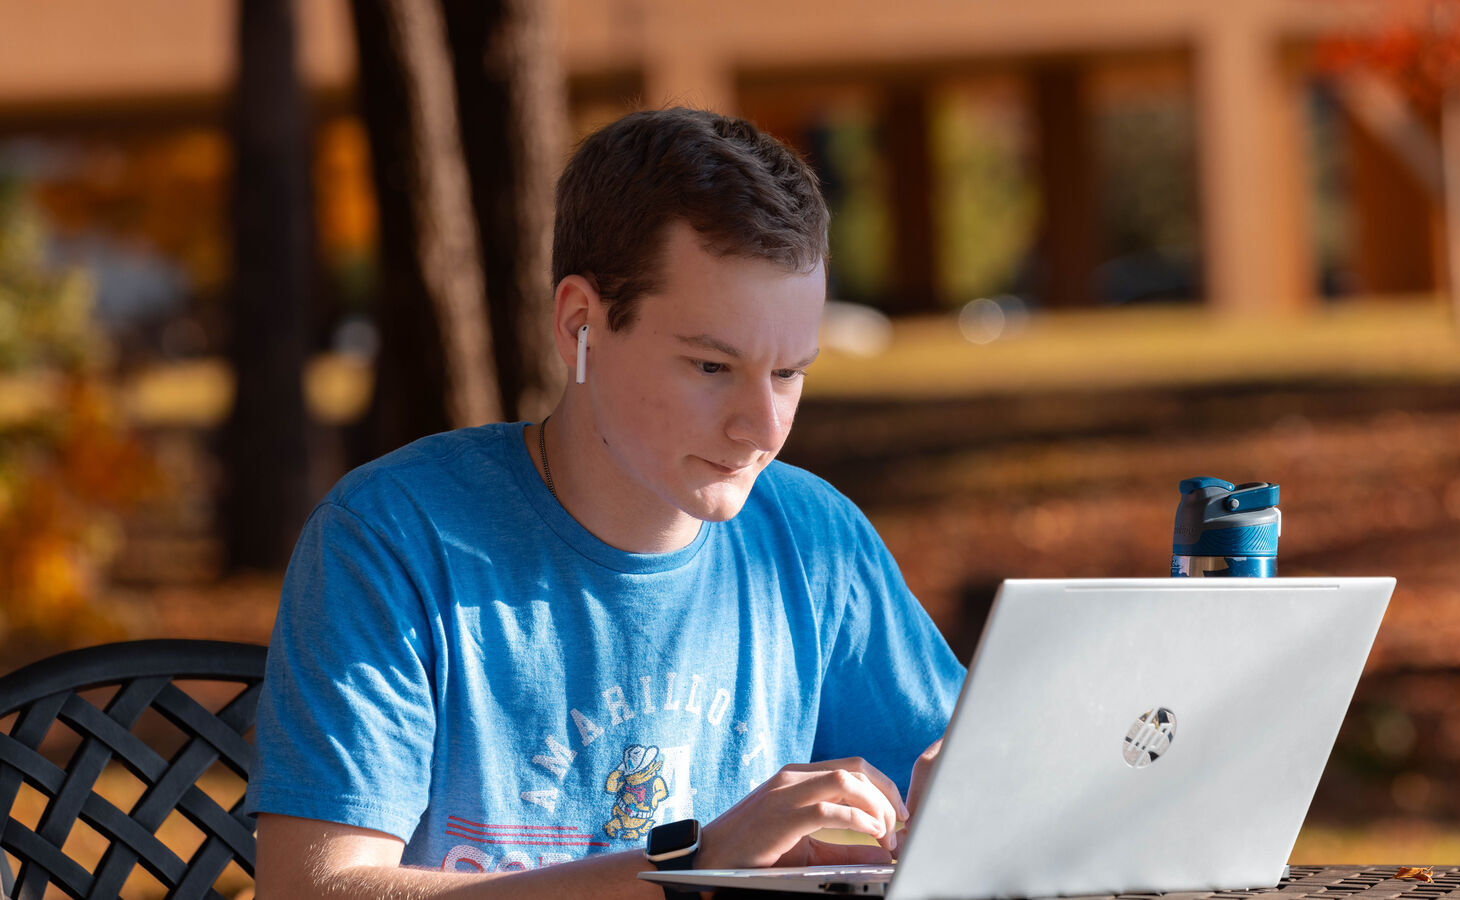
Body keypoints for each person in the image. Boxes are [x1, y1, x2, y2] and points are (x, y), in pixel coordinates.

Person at [246, 106, 965, 898]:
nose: (762, 426)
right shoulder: (392, 538)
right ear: (580, 323)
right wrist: (690, 871)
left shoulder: (813, 538)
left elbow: (974, 784)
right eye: (710, 367)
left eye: (789, 373)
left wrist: (976, 804)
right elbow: (311, 890)